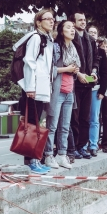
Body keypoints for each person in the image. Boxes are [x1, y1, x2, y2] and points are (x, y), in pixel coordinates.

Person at [13, 8, 55, 174]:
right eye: (47, 19)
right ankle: (31, 161)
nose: (52, 21)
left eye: (53, 19)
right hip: (34, 88)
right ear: (39, 22)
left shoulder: (46, 39)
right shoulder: (36, 38)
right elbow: (29, 62)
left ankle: (35, 159)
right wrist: (30, 87)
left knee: (36, 124)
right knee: (32, 124)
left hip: (40, 87)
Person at [43, 19, 79, 170]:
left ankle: (62, 155)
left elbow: (76, 67)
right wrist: (67, 69)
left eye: (73, 28)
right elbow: (50, 69)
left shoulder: (73, 48)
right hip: (57, 91)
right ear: (61, 30)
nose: (72, 30)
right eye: (69, 27)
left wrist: (76, 71)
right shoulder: (56, 47)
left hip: (70, 91)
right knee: (52, 126)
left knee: (65, 126)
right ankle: (48, 155)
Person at [69, 12, 99, 160]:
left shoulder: (91, 40)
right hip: (74, 83)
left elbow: (96, 59)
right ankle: (73, 147)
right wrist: (78, 74)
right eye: (80, 20)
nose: (83, 22)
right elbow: (69, 59)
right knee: (74, 117)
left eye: (84, 19)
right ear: (73, 22)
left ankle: (82, 146)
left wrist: (94, 71)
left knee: (85, 117)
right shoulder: (71, 38)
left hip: (88, 84)